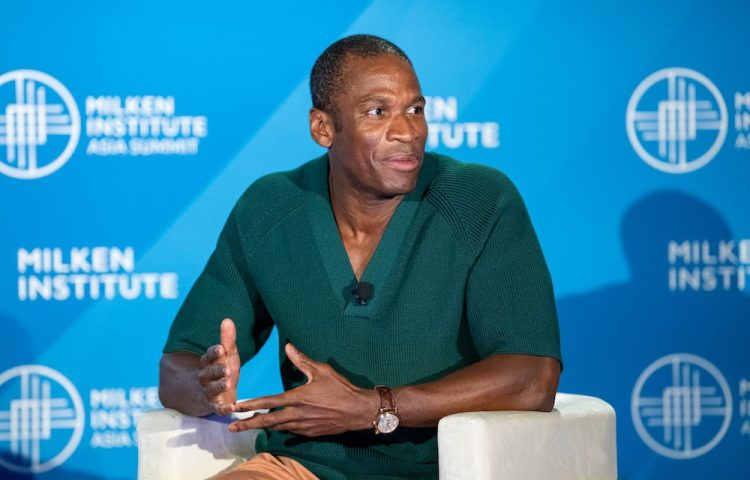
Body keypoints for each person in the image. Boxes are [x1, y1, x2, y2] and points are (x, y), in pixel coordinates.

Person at [159, 34, 562, 479]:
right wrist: (205, 388)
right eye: (377, 112)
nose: (407, 131)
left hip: (448, 469)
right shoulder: (270, 207)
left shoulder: (478, 199)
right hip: (303, 466)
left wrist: (374, 407)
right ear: (323, 128)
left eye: (415, 110)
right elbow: (177, 367)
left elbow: (532, 378)